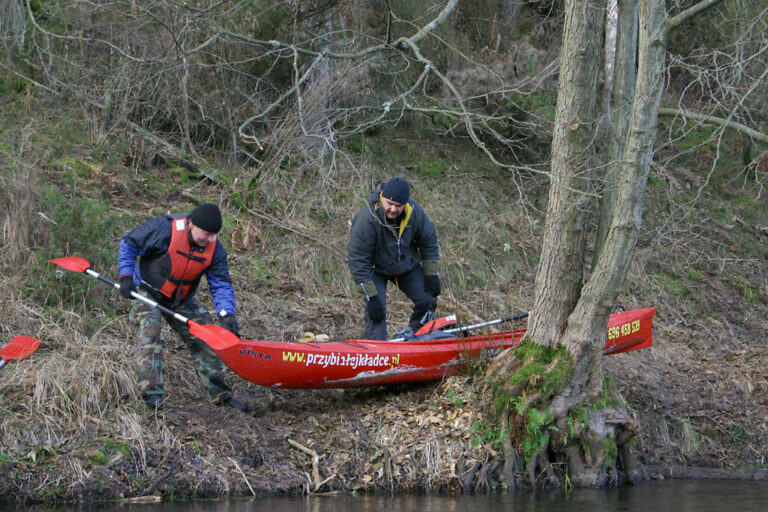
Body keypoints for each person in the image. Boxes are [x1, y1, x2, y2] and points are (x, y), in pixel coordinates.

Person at [118, 203, 247, 411]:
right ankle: (151, 394)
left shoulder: (215, 249)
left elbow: (221, 283)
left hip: (180, 298)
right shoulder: (163, 229)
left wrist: (226, 314)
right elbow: (129, 242)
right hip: (147, 289)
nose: (209, 239)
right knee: (151, 330)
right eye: (206, 233)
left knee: (206, 335)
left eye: (213, 235)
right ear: (192, 224)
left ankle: (220, 395)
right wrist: (126, 277)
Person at [348, 177, 441, 340]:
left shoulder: (414, 212)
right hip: (375, 269)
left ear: (405, 203)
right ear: (382, 198)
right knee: (376, 313)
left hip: (404, 265)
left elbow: (429, 242)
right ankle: (378, 349)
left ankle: (414, 335)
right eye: (389, 203)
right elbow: (357, 259)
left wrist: (432, 274)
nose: (393, 209)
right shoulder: (367, 218)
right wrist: (371, 297)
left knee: (428, 300)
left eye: (398, 206)